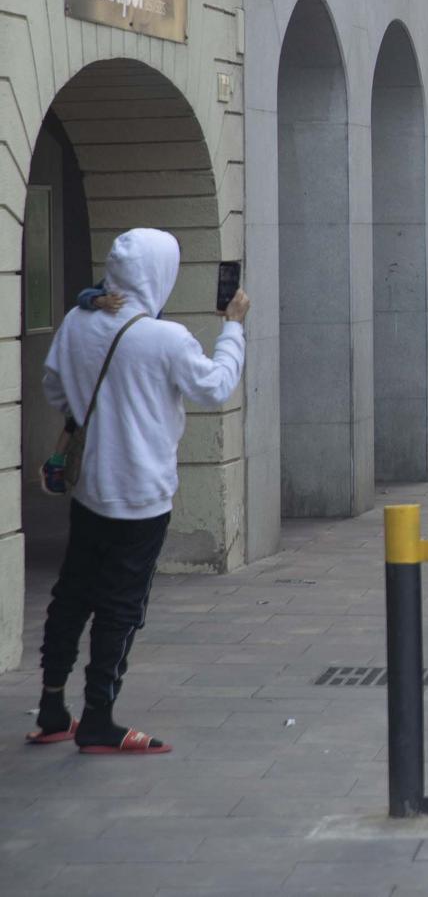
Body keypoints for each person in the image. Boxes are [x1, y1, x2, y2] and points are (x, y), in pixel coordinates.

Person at [34, 229, 248, 755]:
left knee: (72, 595)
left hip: (90, 493)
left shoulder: (77, 323)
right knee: (121, 607)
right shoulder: (166, 338)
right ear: (161, 273)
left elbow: (55, 389)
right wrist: (233, 329)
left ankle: (51, 707)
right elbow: (216, 386)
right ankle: (99, 719)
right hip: (142, 493)